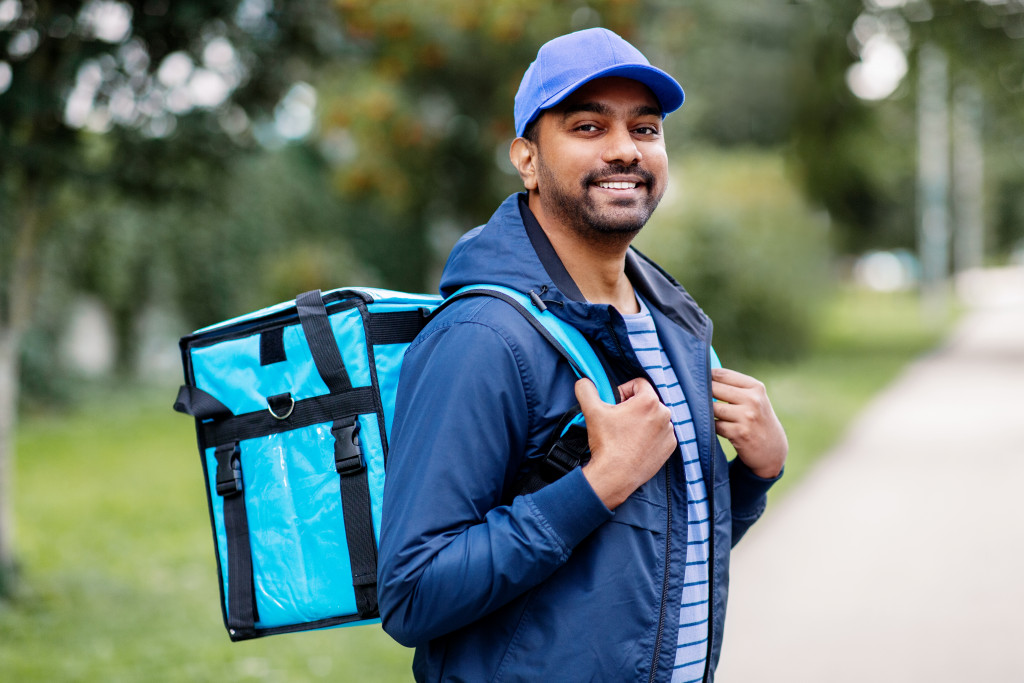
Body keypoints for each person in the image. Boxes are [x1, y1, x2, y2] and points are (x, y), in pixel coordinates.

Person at [377, 27, 787, 682]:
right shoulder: (485, 336)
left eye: (645, 129)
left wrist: (753, 477)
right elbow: (411, 593)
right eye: (588, 127)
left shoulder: (672, 325)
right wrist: (599, 482)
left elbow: (651, 559)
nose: (625, 149)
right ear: (527, 158)